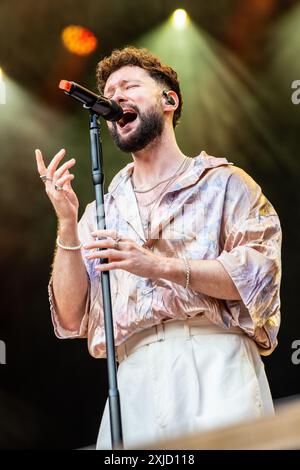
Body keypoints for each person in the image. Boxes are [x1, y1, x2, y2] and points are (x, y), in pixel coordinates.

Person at [35, 46, 281, 449]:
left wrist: (156, 265)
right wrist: (67, 222)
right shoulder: (102, 209)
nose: (115, 97)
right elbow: (70, 314)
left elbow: (257, 277)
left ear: (169, 100)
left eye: (129, 86)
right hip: (133, 376)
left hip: (214, 359)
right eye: (109, 91)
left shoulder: (226, 184)